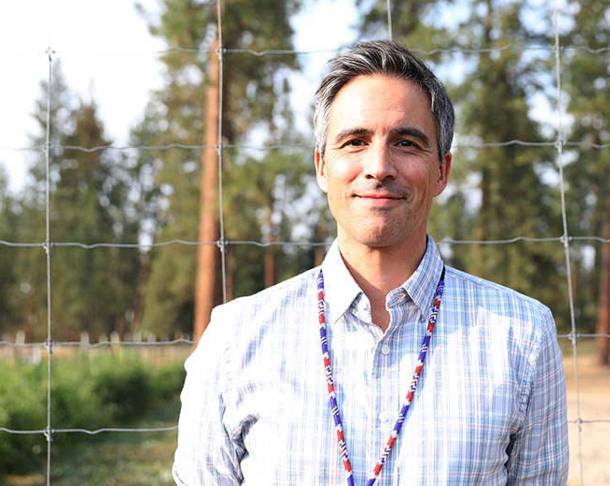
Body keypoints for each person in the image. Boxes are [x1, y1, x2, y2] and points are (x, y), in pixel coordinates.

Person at [173, 40, 568, 486]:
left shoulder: (522, 335)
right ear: (322, 166)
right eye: (355, 141)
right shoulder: (235, 339)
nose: (379, 167)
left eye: (406, 143)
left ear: (442, 170)